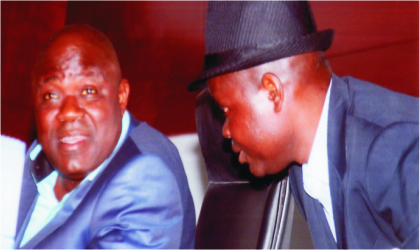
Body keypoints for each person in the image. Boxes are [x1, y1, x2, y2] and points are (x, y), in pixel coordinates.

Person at [188, 1, 418, 249]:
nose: (225, 131)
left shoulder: (395, 145)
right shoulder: (303, 168)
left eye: (226, 110)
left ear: (272, 92)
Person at [14, 23, 195, 249]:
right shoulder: (32, 157)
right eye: (51, 95)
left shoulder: (146, 178)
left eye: (88, 91)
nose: (68, 111)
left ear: (121, 97)